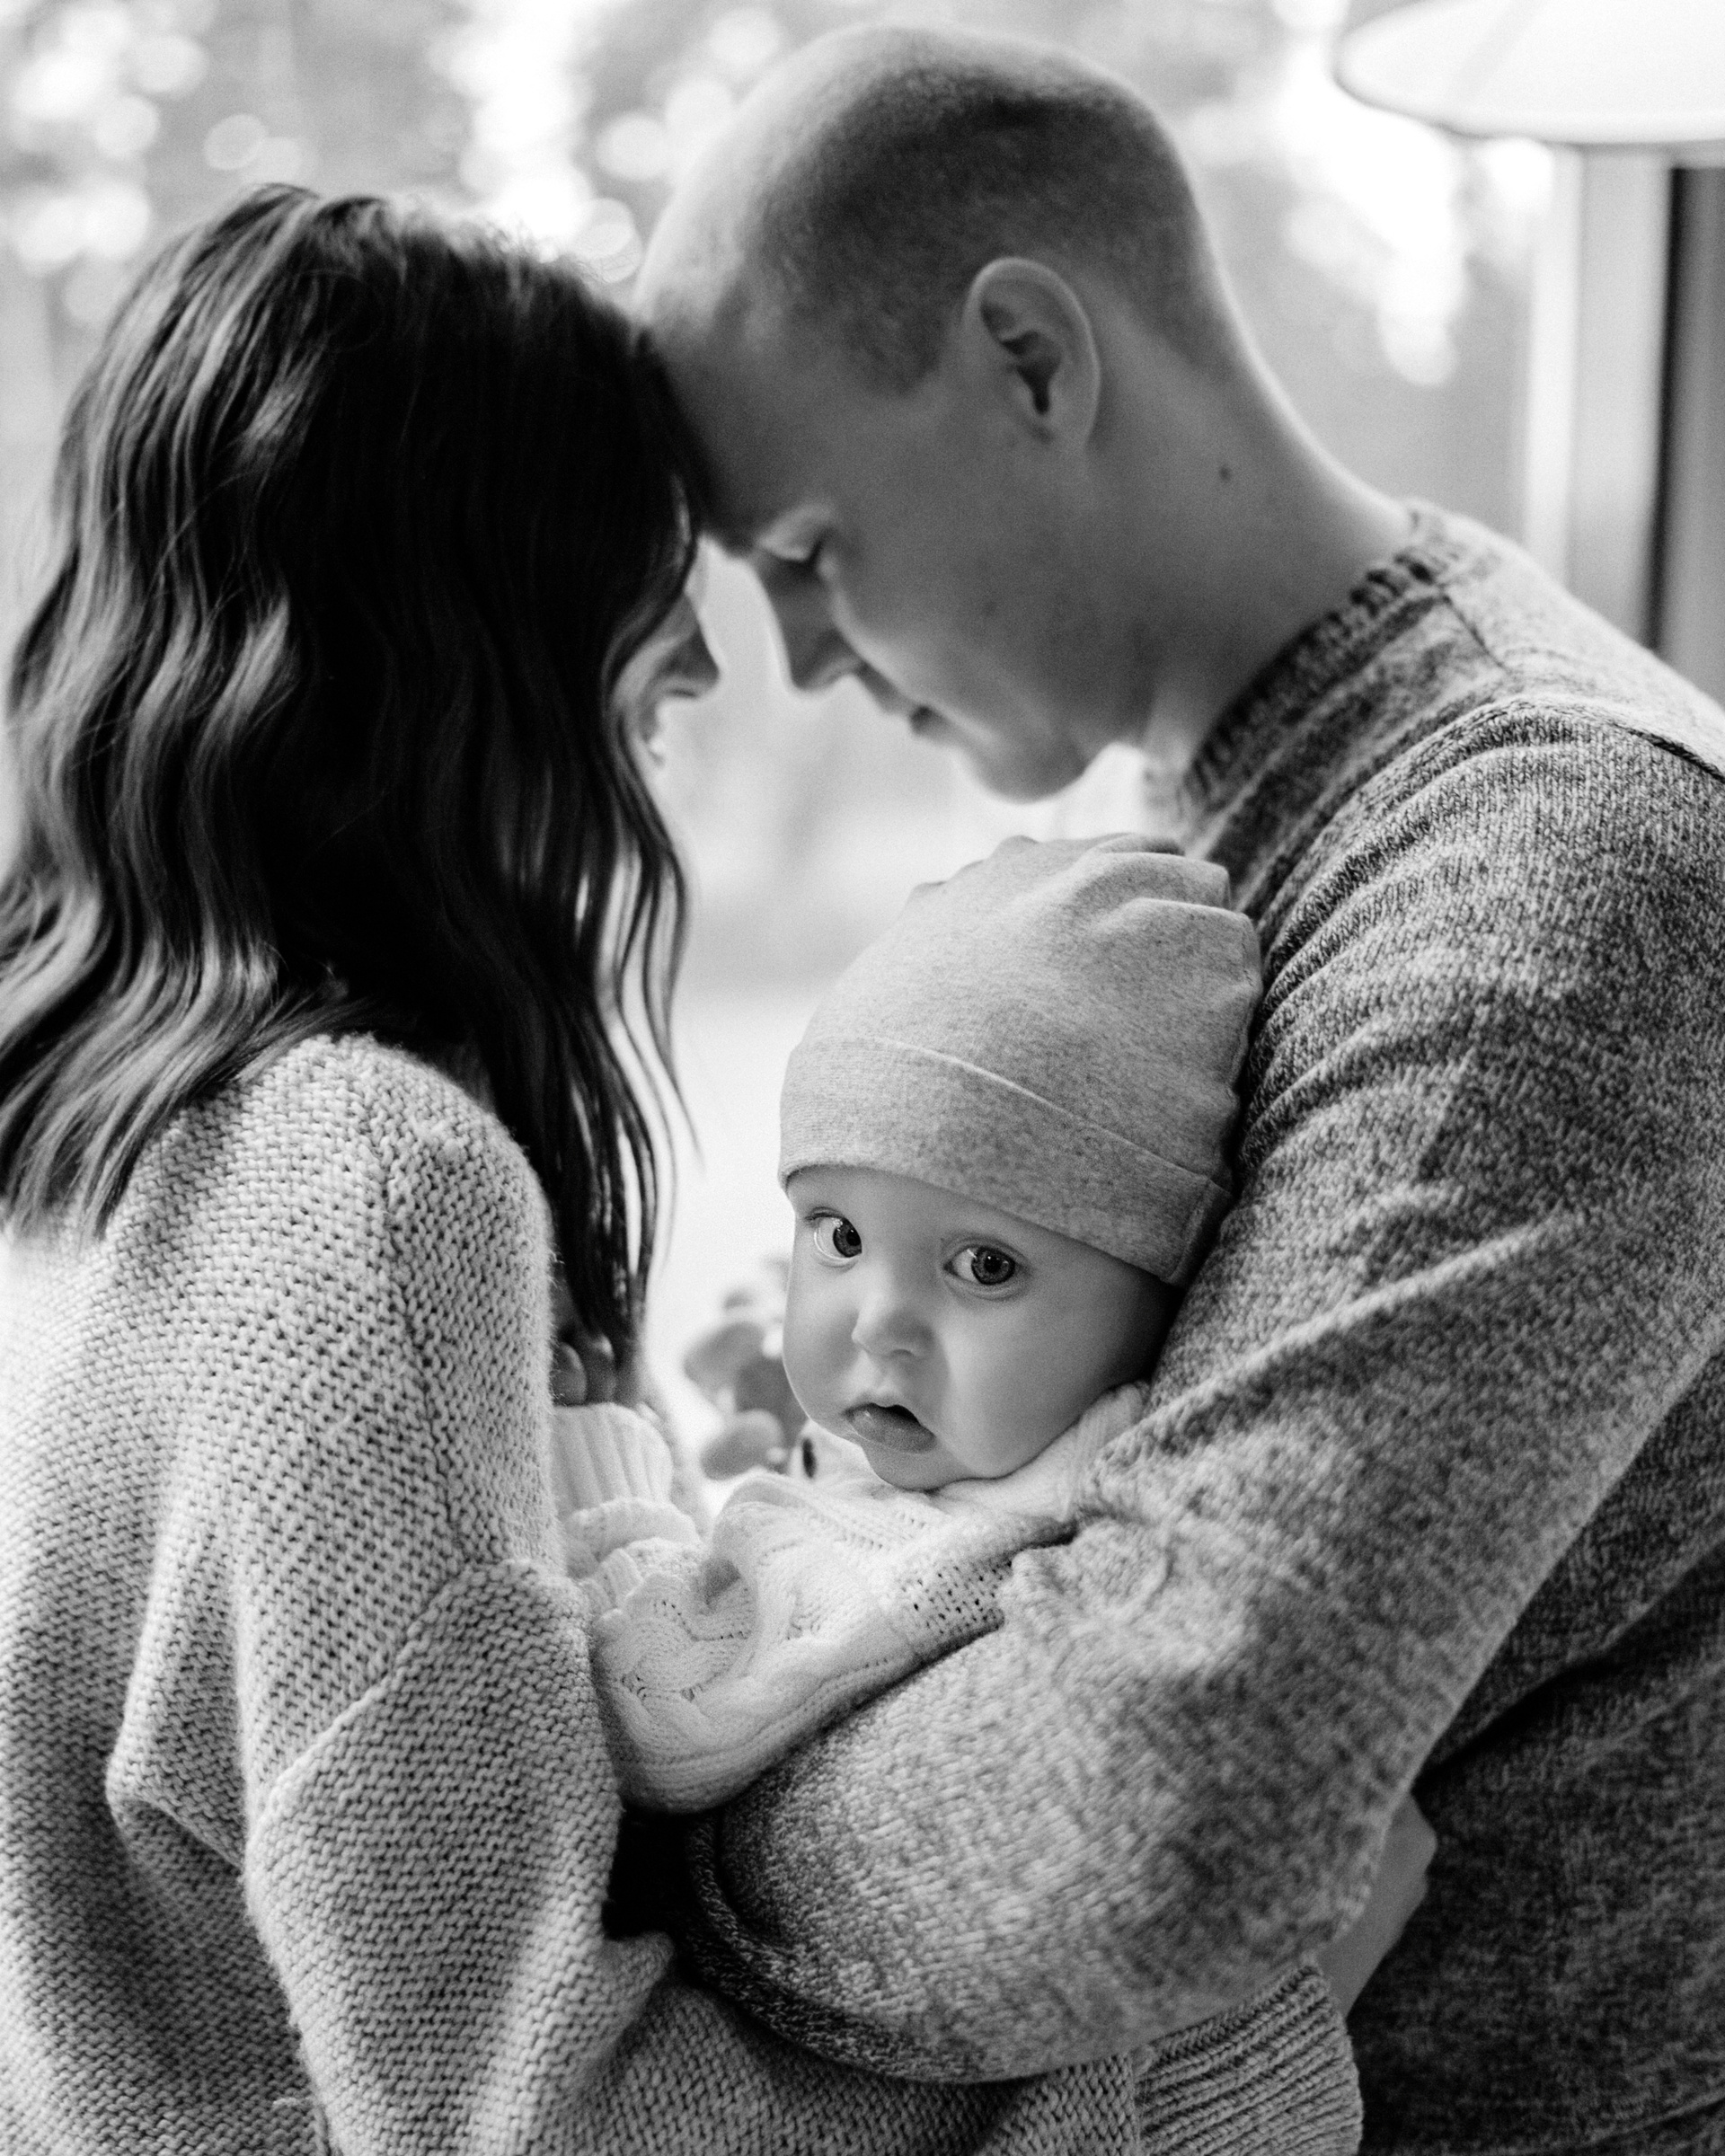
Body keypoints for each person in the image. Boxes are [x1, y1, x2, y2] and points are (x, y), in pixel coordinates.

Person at [0, 185, 1370, 2153]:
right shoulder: (363, 1188)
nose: (718, 669)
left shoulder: (84, 1123)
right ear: (470, 615)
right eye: (650, 567)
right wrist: (1177, 2026)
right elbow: (529, 2111)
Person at [632, 22, 1725, 2152]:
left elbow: (1157, 1825)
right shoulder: (1203, 836)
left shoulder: (1547, 881)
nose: (801, 658)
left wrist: (676, 1763)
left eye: (808, 547)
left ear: (1031, 359)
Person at [558, 835, 1258, 1808]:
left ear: (1166, 1287)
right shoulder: (1006, 1454)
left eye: (985, 1267)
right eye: (841, 1237)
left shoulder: (937, 1563)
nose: (878, 1325)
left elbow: (648, 1722)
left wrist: (595, 1455)